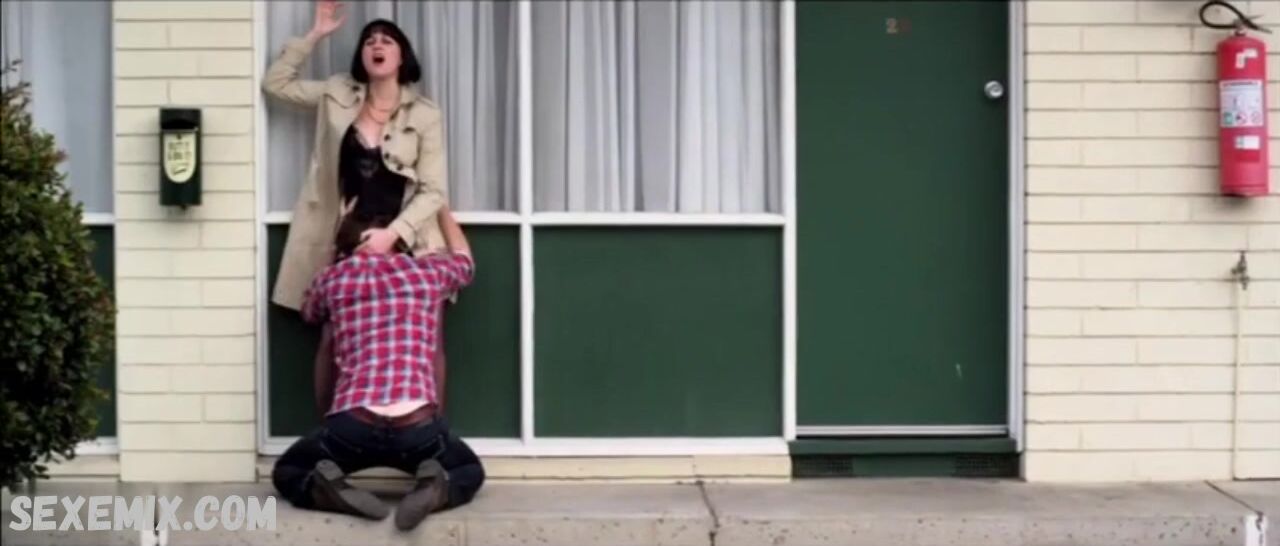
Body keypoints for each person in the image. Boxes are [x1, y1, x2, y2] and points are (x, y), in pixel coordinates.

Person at [271, 203, 484, 531]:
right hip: (418, 429)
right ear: (398, 241)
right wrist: (438, 205)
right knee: (468, 470)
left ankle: (326, 490)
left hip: (352, 427)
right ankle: (437, 487)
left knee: (289, 471)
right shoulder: (427, 274)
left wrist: (333, 257)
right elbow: (464, 260)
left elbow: (309, 312)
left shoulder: (333, 279)